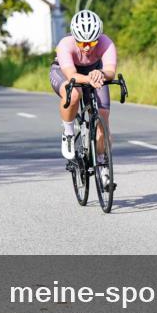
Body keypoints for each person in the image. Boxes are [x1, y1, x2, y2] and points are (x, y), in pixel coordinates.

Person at [50, 10, 117, 186]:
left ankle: (102, 164)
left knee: (103, 116)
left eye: (92, 41)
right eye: (82, 42)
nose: (87, 47)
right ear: (74, 37)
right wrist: (91, 78)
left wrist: (100, 73)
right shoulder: (65, 45)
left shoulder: (106, 42)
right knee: (73, 94)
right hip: (65, 73)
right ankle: (69, 133)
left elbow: (110, 71)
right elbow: (71, 74)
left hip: (95, 72)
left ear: (99, 37)